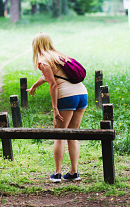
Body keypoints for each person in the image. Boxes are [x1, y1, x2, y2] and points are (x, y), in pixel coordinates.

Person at [27, 32, 88, 183]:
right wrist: (34, 86)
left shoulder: (43, 60)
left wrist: (55, 109)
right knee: (72, 134)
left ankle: (57, 173)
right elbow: (49, 76)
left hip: (67, 97)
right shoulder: (58, 56)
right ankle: (73, 172)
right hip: (82, 94)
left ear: (36, 45)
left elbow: (53, 84)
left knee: (59, 134)